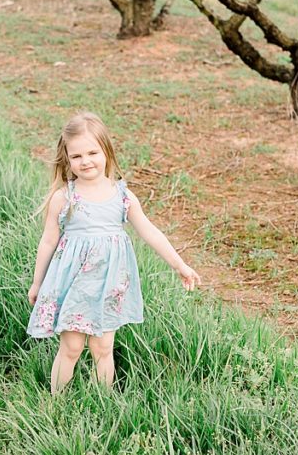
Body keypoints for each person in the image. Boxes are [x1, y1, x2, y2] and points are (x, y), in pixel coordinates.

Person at [27, 111, 200, 394]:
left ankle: (102, 401)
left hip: (109, 285)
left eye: (93, 152)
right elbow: (47, 241)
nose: (86, 161)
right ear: (67, 159)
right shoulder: (65, 197)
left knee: (103, 346)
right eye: (77, 156)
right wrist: (38, 282)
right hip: (74, 286)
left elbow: (150, 232)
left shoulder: (123, 197)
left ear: (106, 151)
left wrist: (180, 265)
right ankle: (55, 403)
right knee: (71, 347)